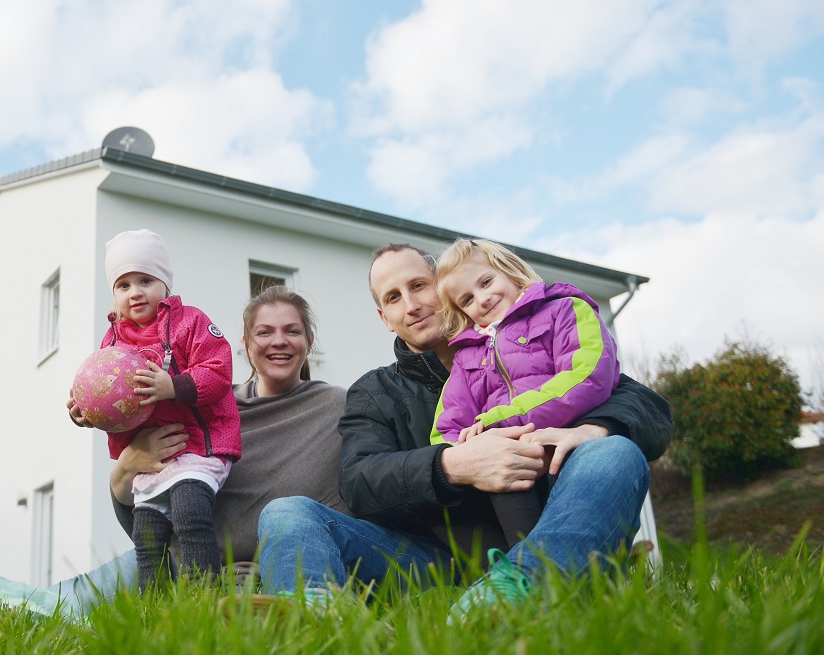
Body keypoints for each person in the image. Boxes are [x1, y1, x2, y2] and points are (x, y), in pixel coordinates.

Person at [257, 243, 670, 621]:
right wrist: (454, 465)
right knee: (286, 512)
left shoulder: (529, 339)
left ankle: (519, 585)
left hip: (551, 526)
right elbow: (359, 482)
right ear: (384, 318)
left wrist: (593, 430)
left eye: (419, 285)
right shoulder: (376, 391)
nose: (413, 305)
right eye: (394, 298)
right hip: (433, 562)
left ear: (444, 288)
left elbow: (642, 404)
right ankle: (317, 616)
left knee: (613, 452)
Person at [0, 284, 347, 618]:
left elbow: (345, 510)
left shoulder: (337, 408)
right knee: (67, 600)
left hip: (266, 576)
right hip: (180, 562)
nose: (278, 341)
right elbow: (142, 507)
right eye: (265, 332)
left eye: (291, 331)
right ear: (245, 345)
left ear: (308, 341)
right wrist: (120, 458)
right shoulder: (205, 413)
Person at [67, 229, 242, 589]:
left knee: (190, 512)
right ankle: (154, 608)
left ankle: (202, 597)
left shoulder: (190, 322)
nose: (135, 292)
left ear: (165, 283)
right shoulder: (111, 340)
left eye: (145, 280)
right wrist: (85, 412)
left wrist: (172, 386)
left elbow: (219, 370)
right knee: (147, 537)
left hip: (196, 446)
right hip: (151, 459)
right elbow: (105, 393)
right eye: (123, 285)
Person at [432, 238, 620, 548]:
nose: (482, 298)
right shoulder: (466, 359)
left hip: (568, 446)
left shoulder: (564, 309)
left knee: (581, 526)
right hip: (512, 467)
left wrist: (496, 422)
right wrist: (473, 449)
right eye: (467, 299)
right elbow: (444, 431)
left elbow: (587, 376)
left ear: (511, 272)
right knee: (512, 498)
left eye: (486, 281)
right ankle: (528, 573)